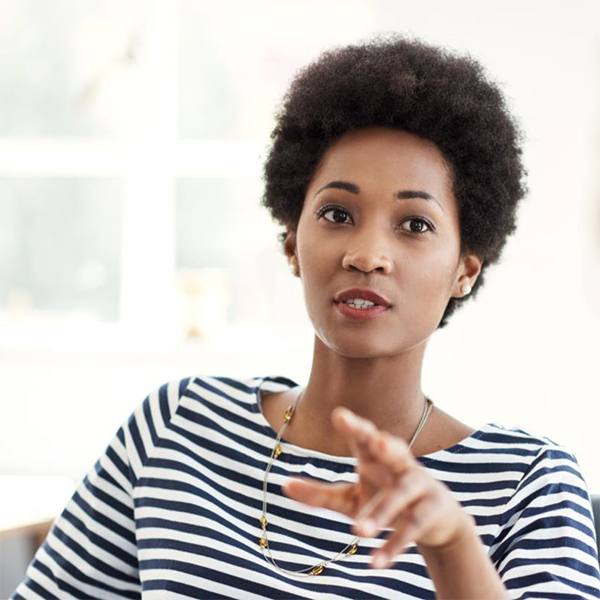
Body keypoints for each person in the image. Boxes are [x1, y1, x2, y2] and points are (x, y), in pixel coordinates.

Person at [12, 35, 600, 600]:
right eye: (338, 214)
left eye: (415, 225)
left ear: (465, 270)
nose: (366, 253)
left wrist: (450, 548)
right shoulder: (176, 427)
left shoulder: (528, 486)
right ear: (292, 243)